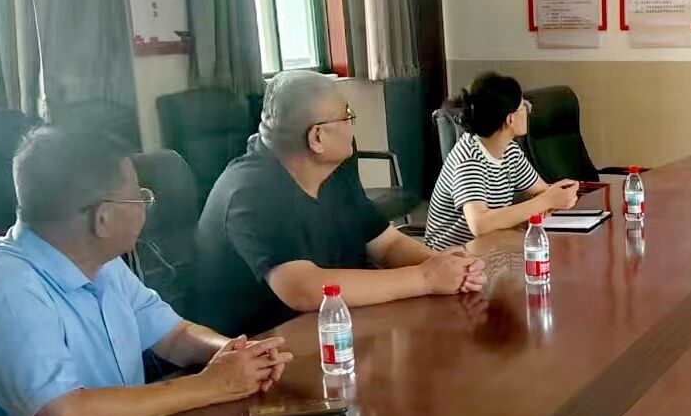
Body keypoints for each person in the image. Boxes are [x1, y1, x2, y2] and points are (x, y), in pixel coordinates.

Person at [0, 127, 292, 416]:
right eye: (139, 197)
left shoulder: (100, 263)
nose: (146, 206)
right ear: (102, 219)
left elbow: (174, 336)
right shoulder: (1, 287)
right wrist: (211, 385)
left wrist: (238, 355)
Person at [195, 71, 486, 337]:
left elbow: (386, 244)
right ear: (317, 137)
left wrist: (445, 266)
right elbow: (303, 288)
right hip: (260, 347)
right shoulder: (250, 191)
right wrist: (425, 278)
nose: (352, 125)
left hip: (335, 328)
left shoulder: (335, 169)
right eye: (347, 116)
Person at [425, 73, 579, 251]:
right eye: (524, 106)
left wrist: (553, 197)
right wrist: (545, 201)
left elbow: (542, 192)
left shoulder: (510, 150)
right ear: (510, 119)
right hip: (451, 257)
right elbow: (480, 224)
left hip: (492, 248)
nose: (529, 110)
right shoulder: (469, 158)